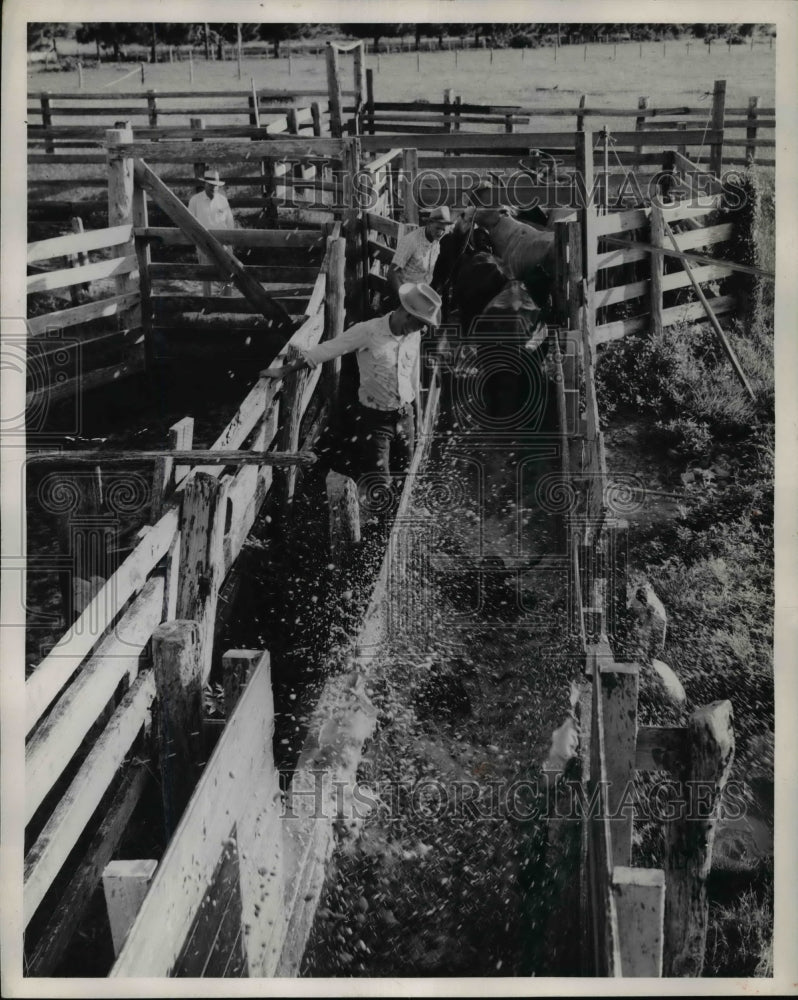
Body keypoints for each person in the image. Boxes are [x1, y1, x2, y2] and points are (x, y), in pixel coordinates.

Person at [262, 282, 442, 518]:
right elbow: (329, 349)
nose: (423, 330)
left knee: (407, 472)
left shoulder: (414, 336)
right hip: (375, 420)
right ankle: (381, 526)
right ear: (407, 315)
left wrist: (417, 417)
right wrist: (285, 370)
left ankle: (401, 516)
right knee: (381, 480)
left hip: (404, 414)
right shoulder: (368, 331)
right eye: (421, 323)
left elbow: (414, 375)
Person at [187, 169, 236, 297]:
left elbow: (230, 222)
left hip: (224, 242)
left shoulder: (223, 200)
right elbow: (189, 223)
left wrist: (230, 243)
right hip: (204, 243)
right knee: (206, 273)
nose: (214, 187)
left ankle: (226, 299)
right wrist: (197, 241)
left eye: (216, 185)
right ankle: (208, 302)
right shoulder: (195, 200)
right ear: (205, 184)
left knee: (227, 272)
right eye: (211, 185)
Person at [386, 206, 451, 298]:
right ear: (429, 223)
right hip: (406, 293)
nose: (440, 233)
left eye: (443, 229)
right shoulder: (411, 241)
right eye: (437, 228)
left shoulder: (436, 241)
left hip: (423, 293)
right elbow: (392, 273)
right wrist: (404, 297)